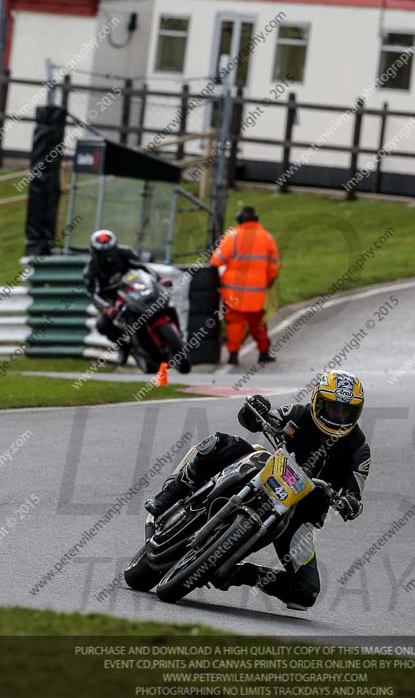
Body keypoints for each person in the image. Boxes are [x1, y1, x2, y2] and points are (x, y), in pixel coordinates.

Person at [145, 369, 371, 611]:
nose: (339, 415)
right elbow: (255, 419)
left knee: (307, 591)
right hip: (267, 475)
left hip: (300, 515)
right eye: (333, 407)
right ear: (318, 401)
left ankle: (239, 574)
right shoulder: (299, 414)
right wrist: (256, 409)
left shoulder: (359, 449)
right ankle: (173, 491)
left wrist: (350, 503)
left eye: (346, 410)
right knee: (220, 442)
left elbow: (356, 493)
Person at [210, 206, 279, 366]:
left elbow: (216, 260)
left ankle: (233, 355)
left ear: (239, 219)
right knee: (257, 322)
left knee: (235, 322)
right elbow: (273, 264)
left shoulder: (233, 236)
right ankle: (264, 353)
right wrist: (269, 280)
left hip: (233, 291)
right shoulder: (267, 238)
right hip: (257, 292)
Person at [83, 229, 151, 365]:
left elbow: (142, 267)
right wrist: (106, 308)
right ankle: (123, 346)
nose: (108, 257)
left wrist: (157, 279)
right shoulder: (90, 270)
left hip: (134, 288)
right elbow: (93, 294)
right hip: (112, 299)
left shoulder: (126, 252)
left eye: (110, 251)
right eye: (103, 254)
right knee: (102, 324)